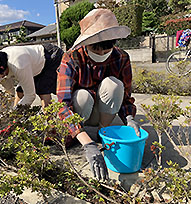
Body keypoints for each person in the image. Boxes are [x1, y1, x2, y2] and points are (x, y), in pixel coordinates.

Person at [56, 8, 140, 180]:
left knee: (114, 85)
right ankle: (84, 135)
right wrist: (88, 145)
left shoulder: (121, 57)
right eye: (96, 48)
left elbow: (125, 98)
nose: (101, 53)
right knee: (82, 96)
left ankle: (104, 133)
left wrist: (130, 119)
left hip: (103, 114)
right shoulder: (71, 58)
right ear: (85, 44)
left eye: (106, 48)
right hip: (82, 111)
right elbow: (63, 105)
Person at [0, 44, 64, 108]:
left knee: (43, 92)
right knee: (19, 91)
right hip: (32, 64)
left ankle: (51, 131)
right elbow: (11, 91)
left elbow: (30, 96)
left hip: (50, 58)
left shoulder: (19, 64)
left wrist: (15, 113)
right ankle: (17, 123)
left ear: (1, 71)